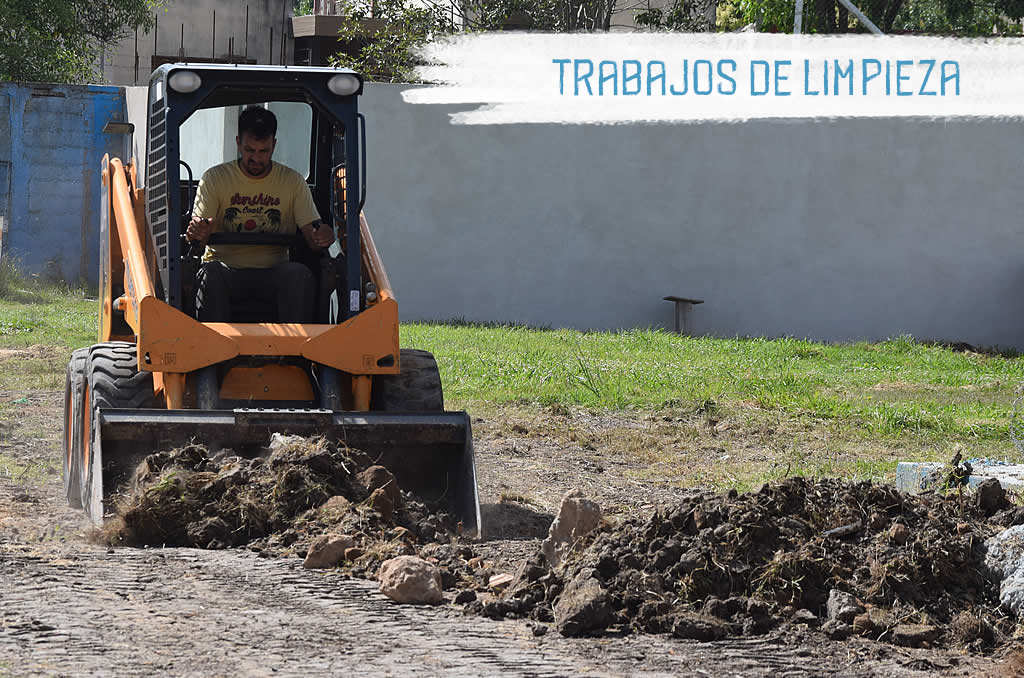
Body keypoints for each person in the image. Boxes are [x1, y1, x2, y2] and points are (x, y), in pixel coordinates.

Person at [185, 105, 334, 322]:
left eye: (263, 151)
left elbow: (313, 236)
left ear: (274, 145)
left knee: (299, 275)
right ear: (238, 143)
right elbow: (198, 238)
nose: (256, 158)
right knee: (210, 274)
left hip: (274, 272)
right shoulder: (215, 179)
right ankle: (214, 343)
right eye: (249, 150)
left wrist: (322, 236)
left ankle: (297, 343)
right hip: (225, 272)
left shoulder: (292, 182)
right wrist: (198, 232)